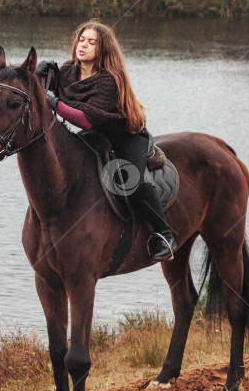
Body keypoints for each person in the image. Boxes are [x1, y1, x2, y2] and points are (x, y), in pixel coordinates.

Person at [36, 20, 176, 262]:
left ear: (103, 50)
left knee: (133, 180)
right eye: (82, 40)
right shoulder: (69, 71)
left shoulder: (109, 79)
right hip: (97, 137)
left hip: (125, 135)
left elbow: (87, 119)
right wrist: (40, 75)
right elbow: (46, 96)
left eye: (91, 43)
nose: (84, 45)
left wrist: (56, 103)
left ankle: (165, 235)